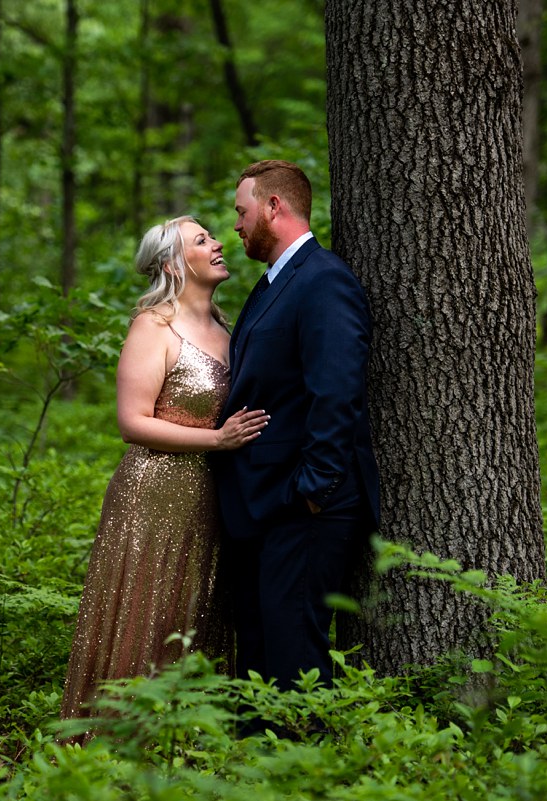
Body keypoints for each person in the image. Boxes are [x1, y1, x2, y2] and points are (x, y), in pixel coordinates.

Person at [60, 215, 270, 725]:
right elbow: (133, 423)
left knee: (196, 610)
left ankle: (190, 738)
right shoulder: (153, 325)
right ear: (175, 264)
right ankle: (121, 738)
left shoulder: (226, 326)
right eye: (202, 240)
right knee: (149, 612)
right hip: (153, 491)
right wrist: (217, 440)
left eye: (213, 236)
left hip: (210, 494)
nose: (219, 242)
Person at [213, 160, 381, 716]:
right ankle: (252, 765)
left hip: (304, 502)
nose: (236, 225)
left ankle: (300, 767)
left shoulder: (323, 279)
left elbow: (336, 389)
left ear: (274, 207)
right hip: (262, 501)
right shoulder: (271, 284)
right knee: (260, 643)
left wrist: (315, 487)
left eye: (242, 211)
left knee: (294, 647)